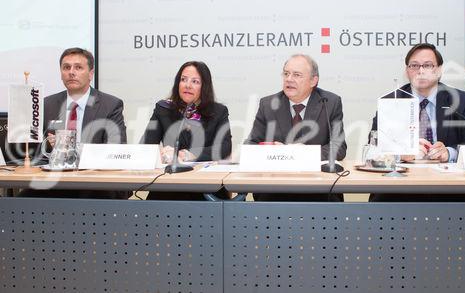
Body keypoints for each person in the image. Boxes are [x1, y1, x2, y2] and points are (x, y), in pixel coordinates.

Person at [370, 43, 465, 201]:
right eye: (414, 65)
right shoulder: (391, 101)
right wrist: (401, 153)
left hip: (450, 185)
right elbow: (374, 147)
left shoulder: (460, 101)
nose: (421, 71)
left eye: (428, 65)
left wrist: (449, 153)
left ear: (439, 70)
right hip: (402, 184)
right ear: (407, 71)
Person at [20, 47, 129, 199]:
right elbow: (36, 153)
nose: (71, 72)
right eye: (66, 67)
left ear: (91, 73)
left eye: (78, 67)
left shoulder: (110, 105)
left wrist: (71, 149)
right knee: (19, 201)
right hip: (55, 181)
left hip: (94, 182)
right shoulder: (47, 104)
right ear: (61, 73)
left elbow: (116, 151)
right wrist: (51, 148)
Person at [245, 54, 347, 201]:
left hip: (320, 189)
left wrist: (301, 153)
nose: (289, 79)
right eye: (286, 73)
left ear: (313, 80)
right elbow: (251, 145)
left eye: (297, 75)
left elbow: (339, 147)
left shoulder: (330, 103)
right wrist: (273, 150)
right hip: (275, 189)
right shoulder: (268, 104)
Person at [141, 61, 232, 200]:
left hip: (206, 187)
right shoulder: (163, 108)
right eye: (183, 80)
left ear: (204, 86)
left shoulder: (218, 111)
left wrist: (189, 154)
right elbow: (146, 146)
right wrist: (162, 154)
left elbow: (224, 148)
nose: (188, 85)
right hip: (168, 185)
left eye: (195, 81)